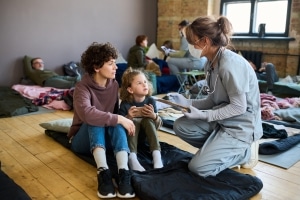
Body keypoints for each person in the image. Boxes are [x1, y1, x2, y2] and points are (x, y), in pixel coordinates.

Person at [167, 16, 263, 178]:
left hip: (240, 128)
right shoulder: (210, 63)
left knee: (198, 168)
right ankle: (217, 150)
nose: (190, 46)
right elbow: (213, 100)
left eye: (192, 42)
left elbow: (239, 107)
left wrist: (205, 115)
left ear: (205, 41)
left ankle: (243, 153)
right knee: (181, 125)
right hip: (222, 121)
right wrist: (186, 102)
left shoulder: (230, 65)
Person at [67, 42, 135, 198]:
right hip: (81, 141)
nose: (116, 67)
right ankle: (103, 172)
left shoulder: (114, 84)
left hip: (105, 139)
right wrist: (117, 118)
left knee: (116, 120)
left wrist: (127, 117)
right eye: (111, 64)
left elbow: (115, 115)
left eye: (115, 63)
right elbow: (87, 114)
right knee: (96, 119)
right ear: (97, 67)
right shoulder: (82, 87)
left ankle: (124, 171)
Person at [119, 68, 163, 172]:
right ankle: (132, 157)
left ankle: (157, 155)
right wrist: (129, 117)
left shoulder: (151, 101)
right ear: (130, 89)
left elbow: (159, 125)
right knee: (133, 122)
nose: (144, 85)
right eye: (139, 83)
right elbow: (120, 128)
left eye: (145, 82)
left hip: (146, 138)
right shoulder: (125, 104)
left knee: (147, 121)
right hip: (131, 139)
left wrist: (153, 116)